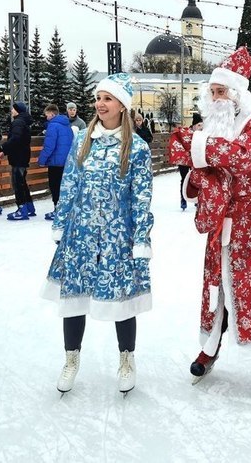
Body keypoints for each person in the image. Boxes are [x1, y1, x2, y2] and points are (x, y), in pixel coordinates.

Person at [167, 46, 251, 398]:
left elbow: (242, 158)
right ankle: (210, 346)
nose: (216, 97)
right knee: (216, 287)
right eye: (213, 91)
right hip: (220, 225)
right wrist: (195, 177)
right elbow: (201, 173)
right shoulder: (210, 130)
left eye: (221, 91)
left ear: (238, 93)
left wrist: (197, 144)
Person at [42, 73, 153, 396]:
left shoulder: (136, 148)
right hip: (82, 232)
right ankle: (71, 359)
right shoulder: (82, 140)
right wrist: (62, 224)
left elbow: (142, 197)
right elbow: (69, 185)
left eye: (107, 98)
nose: (100, 104)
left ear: (122, 105)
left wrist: (141, 237)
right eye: (98, 98)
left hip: (119, 234)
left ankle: (126, 359)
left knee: (122, 299)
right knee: (74, 298)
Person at [0, 102, 34, 220]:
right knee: (22, 182)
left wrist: (2, 148)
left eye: (13, 109)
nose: (11, 110)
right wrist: (5, 152)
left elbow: (15, 139)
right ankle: (29, 207)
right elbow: (19, 141)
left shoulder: (18, 122)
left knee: (18, 183)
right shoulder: (23, 121)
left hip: (18, 157)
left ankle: (22, 209)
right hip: (22, 155)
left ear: (17, 110)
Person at [38, 104, 73, 221]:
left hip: (55, 162)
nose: (46, 117)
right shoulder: (67, 125)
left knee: (55, 186)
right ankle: (64, 210)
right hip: (66, 161)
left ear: (52, 114)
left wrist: (42, 160)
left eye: (47, 115)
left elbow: (49, 145)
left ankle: (57, 210)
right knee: (63, 187)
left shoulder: (53, 126)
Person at [177, 112, 203, 211]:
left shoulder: (202, 134)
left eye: (202, 125)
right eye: (199, 125)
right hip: (184, 160)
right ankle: (183, 199)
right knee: (184, 178)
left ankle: (196, 199)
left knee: (196, 178)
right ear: (194, 125)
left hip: (195, 159)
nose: (200, 127)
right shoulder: (185, 134)